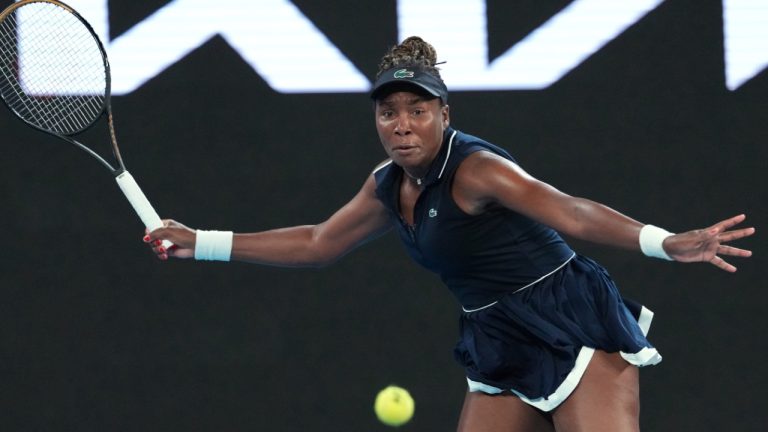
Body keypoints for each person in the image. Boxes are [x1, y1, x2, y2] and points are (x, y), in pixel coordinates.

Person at [144, 37, 755, 431]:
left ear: (445, 113)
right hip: (496, 334)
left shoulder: (478, 169)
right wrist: (200, 240)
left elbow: (570, 213)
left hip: (570, 318)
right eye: (389, 112)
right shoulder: (387, 185)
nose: (402, 125)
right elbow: (318, 243)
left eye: (417, 109)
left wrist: (663, 240)